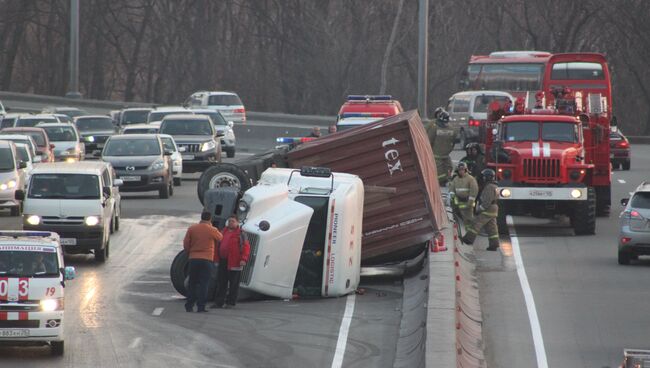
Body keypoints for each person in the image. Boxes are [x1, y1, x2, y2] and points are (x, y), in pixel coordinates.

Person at [183, 211, 223, 312]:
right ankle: (201, 307)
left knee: (192, 282)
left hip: (194, 258)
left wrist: (190, 253)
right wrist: (211, 226)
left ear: (201, 218)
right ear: (210, 219)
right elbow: (220, 238)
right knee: (204, 284)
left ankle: (189, 306)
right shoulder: (212, 229)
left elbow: (186, 243)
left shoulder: (192, 228)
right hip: (207, 259)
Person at [212, 215, 250, 309]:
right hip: (223, 261)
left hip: (235, 262)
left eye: (233, 221)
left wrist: (243, 259)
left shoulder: (241, 234)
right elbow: (217, 246)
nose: (231, 223)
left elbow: (246, 247)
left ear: (237, 223)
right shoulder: (222, 232)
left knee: (233, 284)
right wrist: (216, 259)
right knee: (221, 282)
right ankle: (218, 302)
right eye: (229, 221)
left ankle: (231, 303)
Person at [461, 169, 500, 251]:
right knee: (492, 227)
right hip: (494, 208)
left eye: (484, 177)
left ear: (487, 177)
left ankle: (468, 239)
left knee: (476, 223)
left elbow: (487, 201)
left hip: (488, 209)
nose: (483, 178)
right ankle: (494, 244)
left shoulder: (489, 187)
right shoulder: (495, 186)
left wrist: (480, 209)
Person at [426, 107, 456, 185]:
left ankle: (445, 180)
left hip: (446, 155)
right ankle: (440, 182)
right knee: (439, 171)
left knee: (449, 167)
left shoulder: (451, 129)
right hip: (436, 155)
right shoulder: (433, 126)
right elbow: (429, 140)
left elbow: (453, 141)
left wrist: (448, 150)